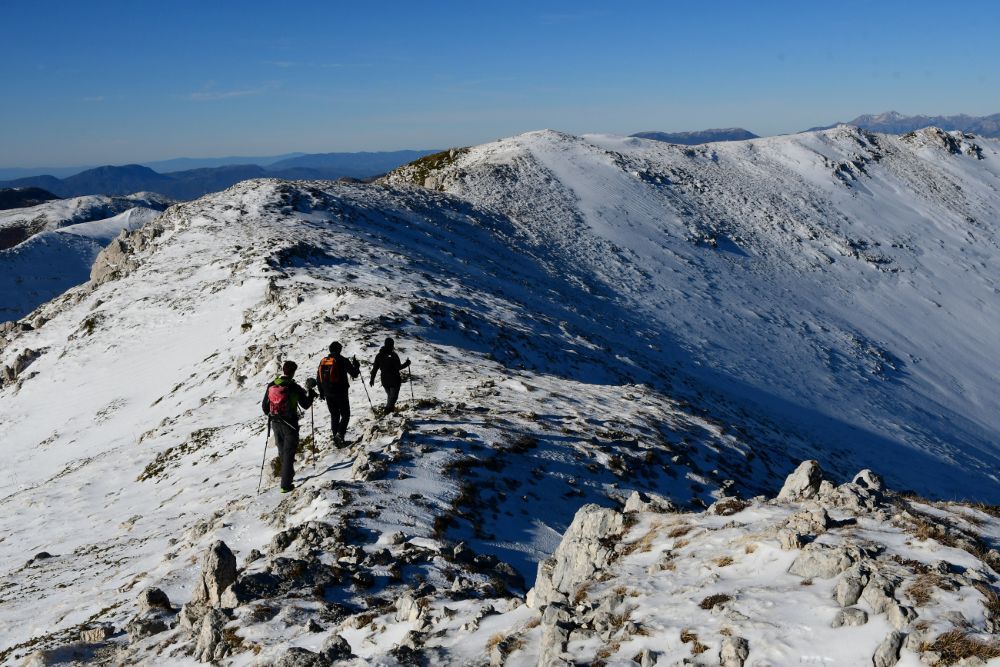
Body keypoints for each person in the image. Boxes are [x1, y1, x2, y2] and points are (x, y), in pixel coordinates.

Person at [261, 360, 317, 493]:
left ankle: (288, 475)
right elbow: (305, 405)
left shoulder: (272, 385)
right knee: (288, 453)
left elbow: (264, 407)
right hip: (290, 424)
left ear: (283, 370)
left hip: (275, 423)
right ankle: (285, 485)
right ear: (293, 372)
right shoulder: (294, 387)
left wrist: (274, 415)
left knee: (282, 452)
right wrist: (311, 395)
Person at [316, 341, 361, 446]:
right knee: (345, 415)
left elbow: (319, 378)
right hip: (341, 392)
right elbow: (354, 374)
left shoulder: (323, 361)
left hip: (328, 393)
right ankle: (340, 435)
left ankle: (337, 441)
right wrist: (357, 366)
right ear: (339, 349)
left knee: (334, 415)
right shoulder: (342, 360)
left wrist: (321, 392)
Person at [369, 337, 410, 414]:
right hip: (395, 380)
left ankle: (390, 413)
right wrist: (407, 363)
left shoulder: (379, 355)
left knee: (390, 396)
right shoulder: (394, 355)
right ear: (392, 345)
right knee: (393, 397)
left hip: (385, 380)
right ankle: (387, 412)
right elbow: (399, 367)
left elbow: (375, 369)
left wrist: (372, 379)